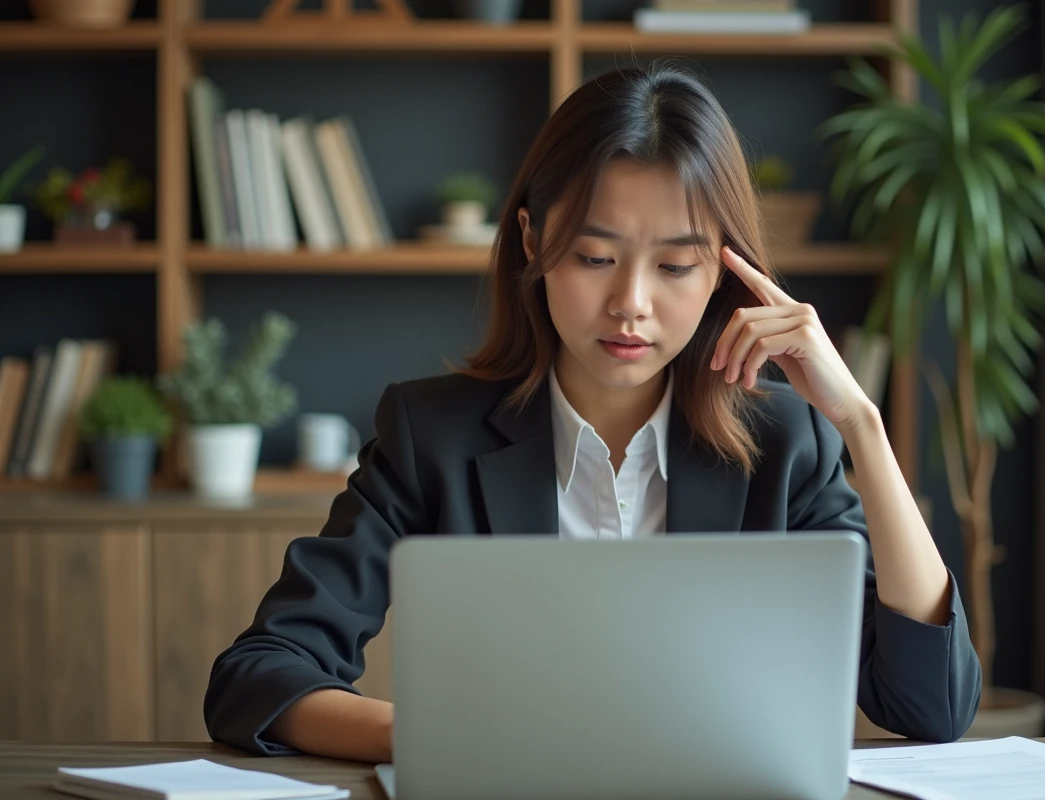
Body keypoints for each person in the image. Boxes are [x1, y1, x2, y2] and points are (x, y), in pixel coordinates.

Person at [204, 61, 982, 762]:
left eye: (676, 265)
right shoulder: (428, 436)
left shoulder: (786, 444)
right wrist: (425, 736)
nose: (630, 306)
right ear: (532, 242)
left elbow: (930, 706)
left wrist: (862, 427)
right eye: (594, 257)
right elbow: (258, 676)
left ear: (723, 275)